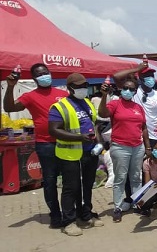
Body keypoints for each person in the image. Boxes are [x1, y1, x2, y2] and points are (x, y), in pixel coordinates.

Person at [3, 63, 68, 229]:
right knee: (49, 180)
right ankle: (55, 215)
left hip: (66, 143)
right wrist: (10, 87)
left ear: (50, 73)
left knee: (69, 180)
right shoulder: (30, 96)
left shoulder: (63, 93)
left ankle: (69, 212)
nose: (44, 76)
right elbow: (9, 107)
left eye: (45, 72)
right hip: (45, 144)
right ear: (34, 78)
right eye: (39, 74)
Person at [48, 73, 103, 236]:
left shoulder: (87, 103)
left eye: (84, 86)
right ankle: (69, 221)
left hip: (90, 153)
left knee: (87, 186)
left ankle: (85, 215)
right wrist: (79, 138)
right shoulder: (60, 106)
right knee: (71, 188)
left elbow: (94, 126)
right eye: (78, 87)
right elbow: (53, 130)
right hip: (69, 154)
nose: (82, 89)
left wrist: (99, 142)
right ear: (70, 88)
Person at [98, 78, 150, 223]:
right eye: (126, 88)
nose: (128, 91)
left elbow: (143, 127)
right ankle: (118, 207)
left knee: (135, 177)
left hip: (138, 147)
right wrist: (103, 96)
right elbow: (103, 113)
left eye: (131, 89)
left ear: (135, 92)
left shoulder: (138, 108)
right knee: (120, 178)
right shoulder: (115, 104)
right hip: (120, 147)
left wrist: (148, 147)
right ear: (121, 89)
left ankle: (137, 204)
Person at [113, 62, 157, 147]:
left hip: (154, 137)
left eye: (152, 76)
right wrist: (137, 69)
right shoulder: (133, 91)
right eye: (147, 76)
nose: (150, 78)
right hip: (137, 137)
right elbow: (116, 77)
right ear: (140, 78)